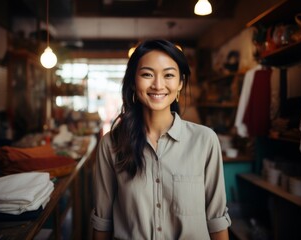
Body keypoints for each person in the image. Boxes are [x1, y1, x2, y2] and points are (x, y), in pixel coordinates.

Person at [91, 39, 231, 240]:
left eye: (169, 75)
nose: (158, 85)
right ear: (133, 81)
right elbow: (103, 221)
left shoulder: (205, 141)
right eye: (147, 74)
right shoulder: (111, 144)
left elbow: (216, 220)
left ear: (180, 83)